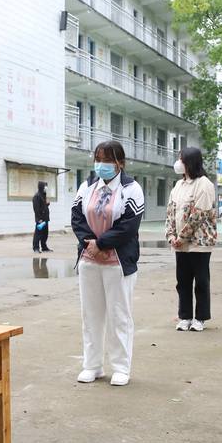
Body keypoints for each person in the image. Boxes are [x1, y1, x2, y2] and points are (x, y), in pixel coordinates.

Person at [72, 140, 145, 386]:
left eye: (107, 160)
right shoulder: (87, 186)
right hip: (89, 261)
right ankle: (92, 366)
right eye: (98, 159)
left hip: (117, 263)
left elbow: (129, 225)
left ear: (119, 163)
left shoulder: (131, 188)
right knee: (90, 315)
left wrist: (102, 245)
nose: (101, 164)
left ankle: (121, 367)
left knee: (119, 316)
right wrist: (90, 245)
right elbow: (77, 217)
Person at [165, 147, 217, 331]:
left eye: (181, 159)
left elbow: (199, 215)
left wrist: (182, 237)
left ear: (190, 161)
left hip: (199, 244)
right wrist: (171, 236)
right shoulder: (179, 186)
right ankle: (185, 316)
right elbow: (171, 212)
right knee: (183, 281)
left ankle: (200, 318)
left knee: (201, 281)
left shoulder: (204, 184)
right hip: (180, 244)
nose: (178, 163)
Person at [32, 181, 52, 253]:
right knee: (38, 233)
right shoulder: (37, 196)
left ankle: (44, 247)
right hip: (41, 219)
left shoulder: (43, 195)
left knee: (45, 233)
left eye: (46, 186)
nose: (46, 187)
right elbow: (36, 209)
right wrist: (39, 219)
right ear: (41, 187)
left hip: (45, 218)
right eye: (44, 186)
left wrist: (48, 203)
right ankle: (36, 248)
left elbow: (43, 206)